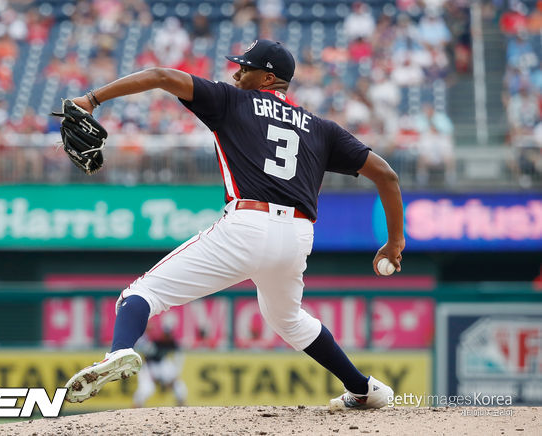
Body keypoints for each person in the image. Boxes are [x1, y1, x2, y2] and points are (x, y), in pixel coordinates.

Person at [63, 39, 405, 409]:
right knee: (289, 319)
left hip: (247, 223)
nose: (236, 72)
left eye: (245, 67)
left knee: (141, 294)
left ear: (268, 77)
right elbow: (386, 175)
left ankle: (119, 351)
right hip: (297, 236)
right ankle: (364, 389)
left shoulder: (231, 100)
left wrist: (92, 100)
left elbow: (161, 75)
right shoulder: (321, 128)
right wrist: (395, 242)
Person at [132, 325, 187, 407]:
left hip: (162, 363)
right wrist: (152, 377)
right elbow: (144, 357)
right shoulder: (154, 341)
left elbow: (179, 358)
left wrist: (173, 378)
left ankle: (183, 409)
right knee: (147, 389)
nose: (167, 336)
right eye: (166, 334)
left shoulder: (172, 343)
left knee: (179, 387)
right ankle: (134, 410)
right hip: (148, 366)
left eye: (169, 334)